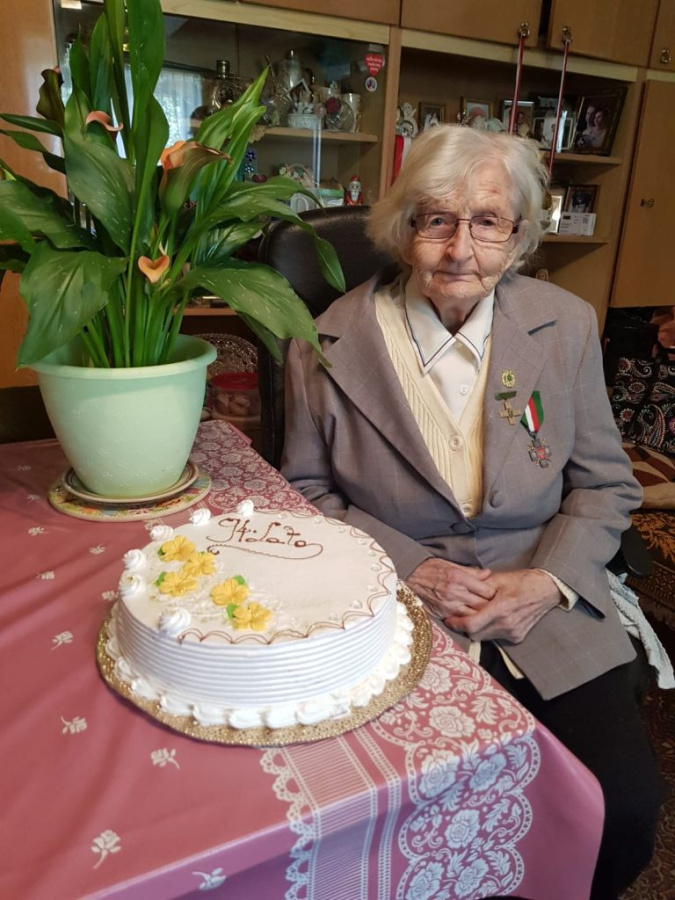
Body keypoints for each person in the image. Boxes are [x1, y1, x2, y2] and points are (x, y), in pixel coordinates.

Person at [282, 124, 667, 900]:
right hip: (392, 600)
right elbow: (306, 494)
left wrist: (549, 580)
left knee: (621, 806)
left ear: (518, 235)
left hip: (541, 593)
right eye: (437, 220)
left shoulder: (565, 324)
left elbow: (604, 484)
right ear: (402, 228)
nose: (460, 249)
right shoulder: (323, 340)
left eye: (487, 221)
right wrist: (411, 568)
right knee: (389, 815)